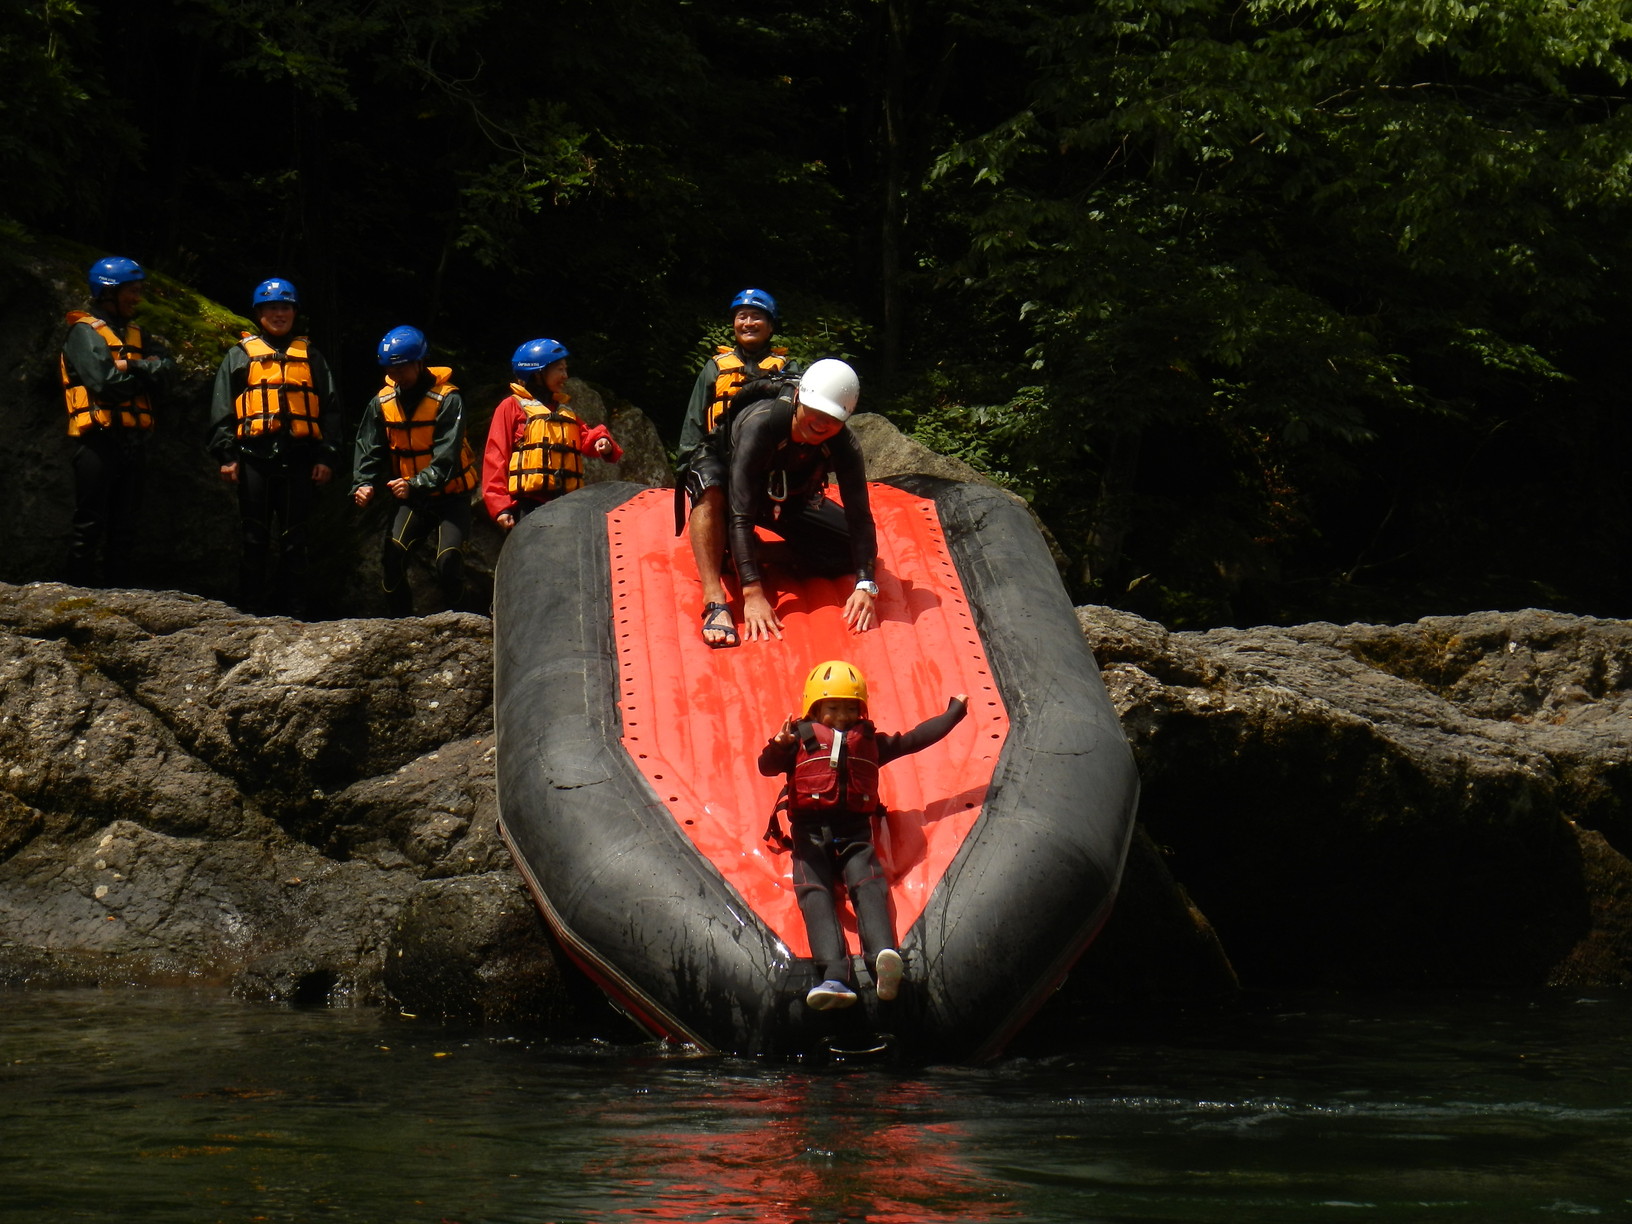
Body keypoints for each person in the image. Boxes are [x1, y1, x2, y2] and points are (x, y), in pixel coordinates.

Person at [758, 660, 968, 1010]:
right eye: (833, 708)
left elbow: (916, 739)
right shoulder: (798, 740)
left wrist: (955, 712)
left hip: (855, 833)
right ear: (815, 708)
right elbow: (766, 767)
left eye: (849, 708)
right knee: (815, 893)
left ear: (861, 710)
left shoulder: (871, 743)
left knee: (868, 883)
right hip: (809, 836)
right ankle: (834, 977)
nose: (841, 717)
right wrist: (779, 745)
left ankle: (883, 957)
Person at [706, 357, 877, 645]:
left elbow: (859, 517)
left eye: (833, 418)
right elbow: (741, 516)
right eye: (816, 412)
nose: (822, 424)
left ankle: (761, 554)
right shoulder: (761, 426)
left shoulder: (843, 445)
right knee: (706, 487)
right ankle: (715, 593)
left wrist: (865, 585)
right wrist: (752, 592)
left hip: (789, 498)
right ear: (798, 399)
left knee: (856, 551)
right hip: (739, 491)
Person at [206, 278, 342, 615]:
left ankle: (295, 611)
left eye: (285, 307)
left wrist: (327, 455)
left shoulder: (311, 357)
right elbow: (222, 407)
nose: (279, 314)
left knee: (296, 539)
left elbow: (332, 409)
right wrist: (226, 455)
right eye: (271, 308)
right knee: (254, 537)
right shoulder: (239, 356)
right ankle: (250, 610)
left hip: (300, 459)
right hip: (254, 458)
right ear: (259, 313)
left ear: (294, 312)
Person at [676, 288, 802, 646]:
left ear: (771, 325)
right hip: (717, 453)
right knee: (710, 484)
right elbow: (693, 423)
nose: (748, 322)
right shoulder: (715, 368)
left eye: (757, 316)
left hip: (765, 457)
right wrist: (688, 464)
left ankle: (750, 549)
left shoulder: (787, 369)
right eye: (742, 316)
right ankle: (715, 599)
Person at [58, 256, 176, 587]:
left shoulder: (139, 334)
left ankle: (119, 598)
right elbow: (105, 385)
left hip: (133, 442)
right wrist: (148, 371)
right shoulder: (84, 332)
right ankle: (78, 598)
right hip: (97, 442)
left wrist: (135, 368)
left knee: (125, 528)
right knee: (89, 526)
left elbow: (169, 374)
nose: (138, 298)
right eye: (132, 291)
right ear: (108, 292)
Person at [350, 326, 478, 615]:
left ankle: (464, 626)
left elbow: (447, 457)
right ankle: (402, 627)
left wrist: (415, 483)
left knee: (448, 563)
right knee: (392, 561)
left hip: (450, 497)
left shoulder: (448, 399)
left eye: (403, 368)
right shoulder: (382, 402)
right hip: (413, 500)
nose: (397, 376)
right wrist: (364, 482)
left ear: (420, 362)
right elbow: (370, 448)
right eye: (391, 369)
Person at [481, 338, 622, 529]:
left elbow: (586, 436)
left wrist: (603, 441)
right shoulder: (511, 407)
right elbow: (495, 458)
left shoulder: (563, 411)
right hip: (526, 506)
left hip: (566, 505)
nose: (565, 376)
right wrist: (501, 507)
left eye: (565, 369)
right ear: (538, 373)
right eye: (560, 369)